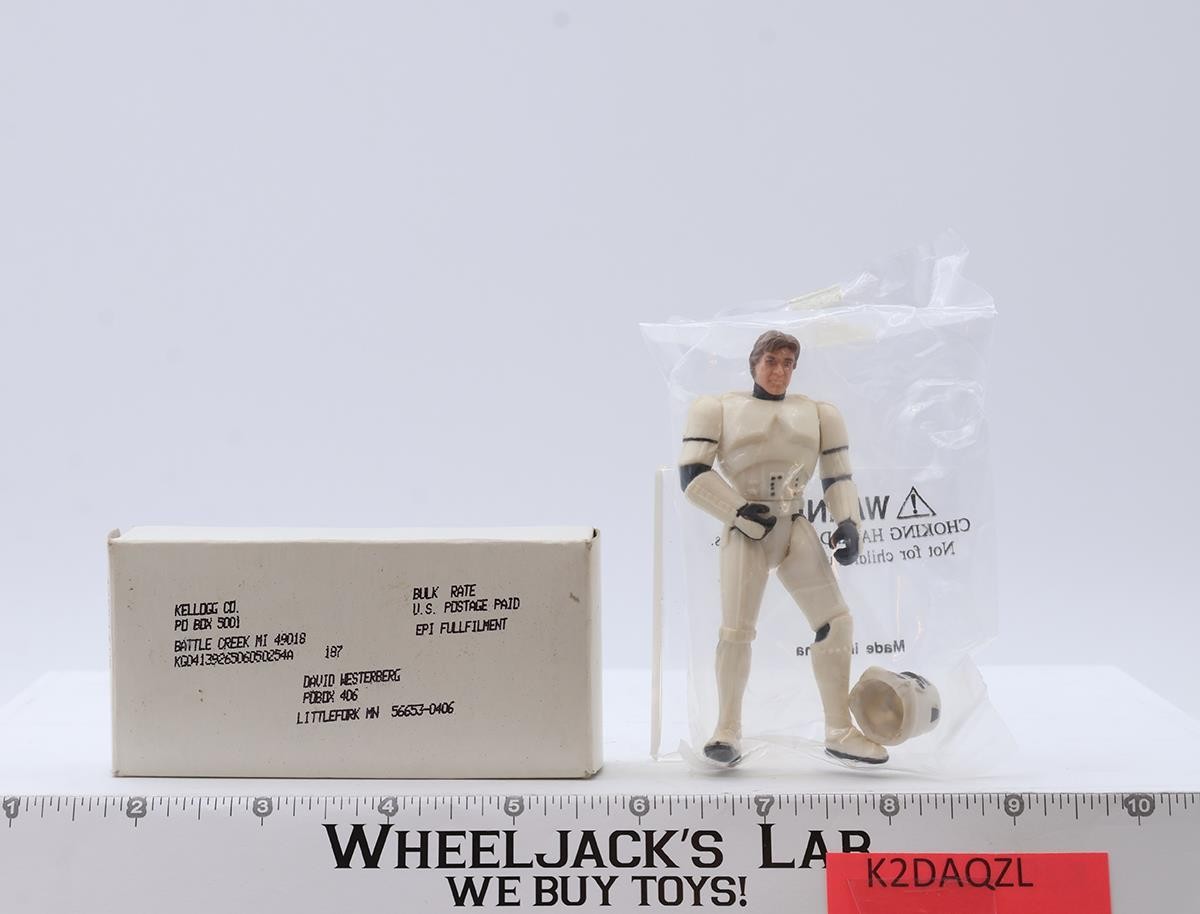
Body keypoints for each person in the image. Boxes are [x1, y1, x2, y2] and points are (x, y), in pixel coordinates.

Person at [678, 329, 886, 766]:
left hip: (793, 526)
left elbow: (837, 475)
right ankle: (726, 729)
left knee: (836, 623)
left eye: (788, 363)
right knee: (736, 631)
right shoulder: (716, 409)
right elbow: (693, 475)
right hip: (746, 530)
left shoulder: (820, 414)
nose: (779, 371)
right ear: (754, 363)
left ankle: (838, 729)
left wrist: (849, 521)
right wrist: (737, 511)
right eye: (771, 361)